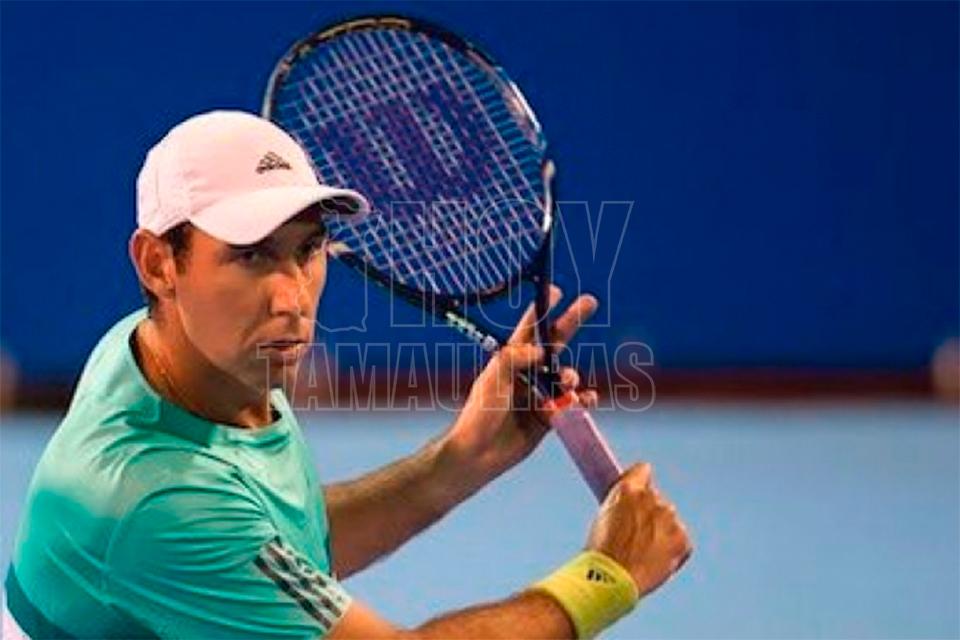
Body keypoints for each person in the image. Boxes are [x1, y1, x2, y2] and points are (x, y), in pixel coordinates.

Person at [4, 110, 691, 639]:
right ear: (158, 264)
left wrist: (459, 461)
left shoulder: (166, 353)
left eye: (307, 251)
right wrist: (607, 576)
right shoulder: (155, 499)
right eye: (250, 255)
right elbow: (212, 532)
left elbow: (275, 545)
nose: (291, 297)